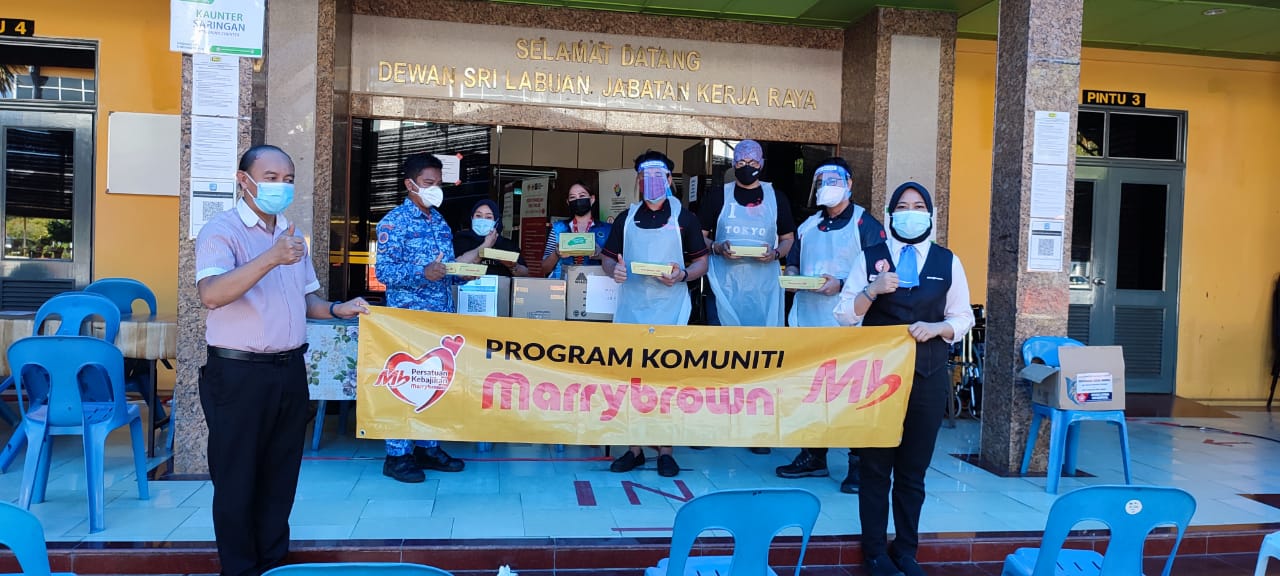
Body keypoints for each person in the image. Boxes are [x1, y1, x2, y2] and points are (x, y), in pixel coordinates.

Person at [196, 144, 370, 576]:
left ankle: (274, 566)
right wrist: (270, 258)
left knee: (280, 480)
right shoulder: (222, 231)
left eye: (288, 179)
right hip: (238, 374)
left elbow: (307, 299)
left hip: (289, 371)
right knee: (237, 482)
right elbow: (211, 294)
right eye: (271, 178)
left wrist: (338, 309)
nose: (281, 186)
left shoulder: (292, 234)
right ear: (244, 180)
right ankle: (240, 570)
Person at [833, 182, 974, 576]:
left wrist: (938, 328)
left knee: (913, 471)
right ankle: (875, 553)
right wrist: (872, 290)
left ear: (930, 215)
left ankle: (906, 551)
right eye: (903, 206)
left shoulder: (948, 261)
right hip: (876, 380)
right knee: (875, 470)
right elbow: (844, 315)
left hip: (927, 377)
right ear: (890, 215)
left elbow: (963, 317)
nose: (910, 213)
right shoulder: (870, 257)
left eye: (918, 206)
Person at [775, 157, 886, 493]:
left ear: (849, 184)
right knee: (812, 393)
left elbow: (880, 273)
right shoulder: (809, 226)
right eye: (822, 182)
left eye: (834, 181)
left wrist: (840, 283)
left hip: (851, 325)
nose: (827, 187)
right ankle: (813, 455)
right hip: (810, 323)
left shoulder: (865, 224)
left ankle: (858, 464)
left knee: (854, 395)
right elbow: (793, 262)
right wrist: (793, 277)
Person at [602, 150, 709, 478]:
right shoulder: (626, 218)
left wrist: (683, 275)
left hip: (670, 310)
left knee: (666, 381)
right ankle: (633, 449)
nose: (651, 182)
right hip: (632, 309)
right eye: (644, 176)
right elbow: (608, 258)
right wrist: (614, 270)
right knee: (632, 380)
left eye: (657, 176)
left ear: (668, 180)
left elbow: (702, 262)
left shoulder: (684, 218)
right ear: (638, 181)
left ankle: (665, 451)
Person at [374, 152, 467, 483]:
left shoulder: (439, 222)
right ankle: (397, 455)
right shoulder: (393, 223)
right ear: (410, 184)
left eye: (438, 183)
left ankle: (428, 447)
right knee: (406, 383)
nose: (434, 189)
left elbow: (445, 268)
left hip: (439, 320)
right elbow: (384, 272)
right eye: (428, 183)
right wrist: (421, 272)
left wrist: (461, 273)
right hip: (407, 320)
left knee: (435, 383)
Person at [699, 139, 795, 456]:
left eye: (753, 162)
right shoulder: (718, 196)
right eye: (741, 161)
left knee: (760, 357)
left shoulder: (776, 197)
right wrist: (716, 247)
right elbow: (701, 237)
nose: (747, 167)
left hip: (763, 290)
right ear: (733, 164)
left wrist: (777, 253)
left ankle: (757, 429)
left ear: (762, 163)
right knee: (720, 355)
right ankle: (714, 425)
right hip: (723, 288)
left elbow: (788, 237)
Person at [542, 180, 612, 279]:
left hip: (594, 284)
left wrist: (600, 255)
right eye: (572, 197)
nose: (577, 200)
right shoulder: (558, 228)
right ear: (568, 202)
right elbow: (544, 268)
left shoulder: (607, 229)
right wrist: (557, 253)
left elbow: (616, 264)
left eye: (582, 196)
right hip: (562, 284)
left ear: (592, 199)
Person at [454, 199, 529, 277]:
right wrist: (485, 245)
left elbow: (525, 273)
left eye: (488, 217)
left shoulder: (506, 244)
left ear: (496, 221)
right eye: (478, 216)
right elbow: (453, 269)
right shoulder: (460, 241)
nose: (483, 220)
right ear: (472, 218)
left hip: (502, 284)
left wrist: (513, 266)